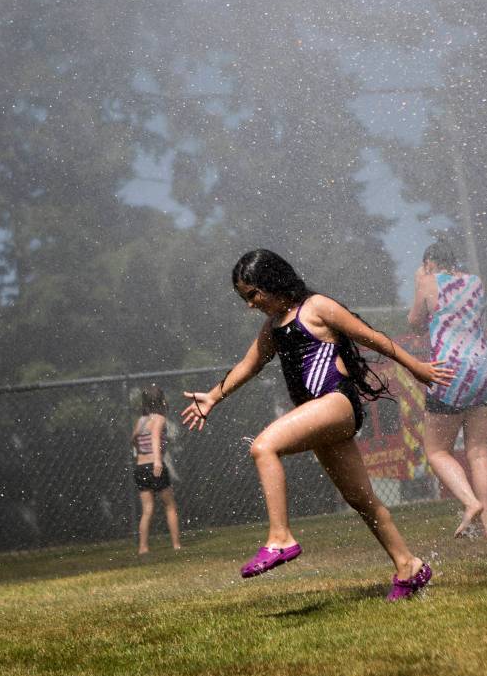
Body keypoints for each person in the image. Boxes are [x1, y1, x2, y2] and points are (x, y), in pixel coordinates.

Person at [182, 249, 454, 601]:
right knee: (361, 499)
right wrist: (212, 397)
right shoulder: (272, 329)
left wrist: (416, 366)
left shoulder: (316, 307)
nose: (250, 304)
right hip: (320, 416)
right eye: (244, 298)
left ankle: (280, 538)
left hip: (336, 403)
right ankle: (409, 566)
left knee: (263, 446)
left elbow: (371, 337)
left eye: (252, 295)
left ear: (271, 281)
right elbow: (248, 366)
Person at [408, 240, 487, 538]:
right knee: (479, 451)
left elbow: (414, 323)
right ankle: (486, 524)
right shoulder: (476, 282)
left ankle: (470, 503)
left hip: (449, 372)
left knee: (436, 451)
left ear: (428, 263)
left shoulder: (427, 282)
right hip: (484, 371)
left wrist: (419, 283)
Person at [130, 385, 181, 554]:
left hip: (140, 466)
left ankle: (143, 547)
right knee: (170, 505)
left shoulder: (141, 421)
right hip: (154, 465)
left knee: (147, 509)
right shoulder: (159, 419)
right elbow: (155, 437)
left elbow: (134, 439)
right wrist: (158, 461)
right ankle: (176, 545)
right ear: (161, 401)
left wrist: (138, 453)